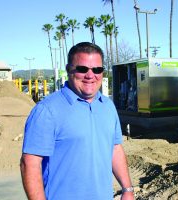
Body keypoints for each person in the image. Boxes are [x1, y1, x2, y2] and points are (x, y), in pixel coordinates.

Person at [20, 42, 134, 200]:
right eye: (82, 69)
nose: (90, 75)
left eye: (97, 69)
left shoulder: (107, 106)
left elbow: (115, 148)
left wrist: (127, 189)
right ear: (68, 70)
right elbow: (30, 163)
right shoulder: (47, 111)